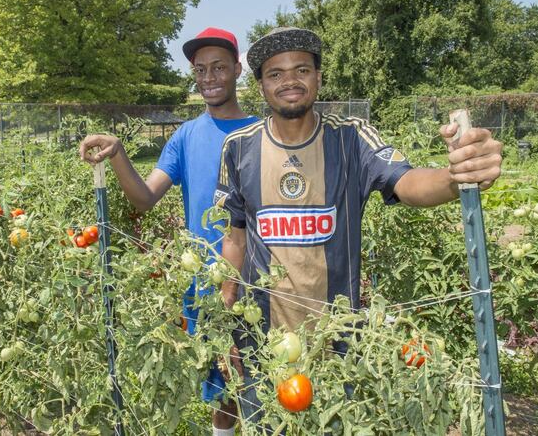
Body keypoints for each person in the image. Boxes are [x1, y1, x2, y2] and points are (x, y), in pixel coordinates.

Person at [215, 27, 503, 428]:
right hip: (260, 339)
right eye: (275, 74)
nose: (290, 81)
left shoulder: (351, 139)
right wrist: (223, 319)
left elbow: (407, 182)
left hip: (337, 342)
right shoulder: (239, 147)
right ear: (261, 86)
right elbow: (235, 238)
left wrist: (456, 178)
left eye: (302, 69)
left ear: (318, 78)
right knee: (265, 426)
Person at [79, 27, 258, 436]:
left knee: (264, 373)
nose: (209, 77)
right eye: (200, 70)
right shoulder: (186, 135)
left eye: (218, 67)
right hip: (205, 279)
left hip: (260, 276)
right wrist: (120, 153)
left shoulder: (261, 132)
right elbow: (144, 197)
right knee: (221, 378)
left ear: (237, 69)